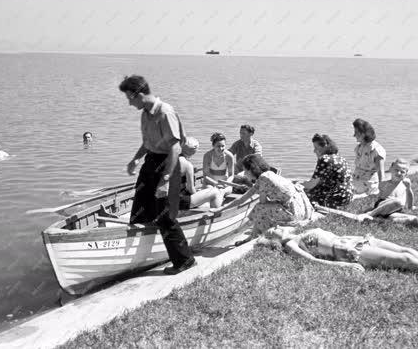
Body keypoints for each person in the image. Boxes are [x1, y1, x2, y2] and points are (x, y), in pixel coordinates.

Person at [119, 75, 195, 275]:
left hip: (167, 164)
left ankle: (184, 260)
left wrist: (165, 181)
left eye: (130, 98)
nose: (129, 103)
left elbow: (175, 149)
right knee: (139, 211)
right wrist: (135, 159)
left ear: (140, 94)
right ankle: (137, 256)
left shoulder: (165, 112)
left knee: (164, 215)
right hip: (151, 161)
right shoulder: (144, 113)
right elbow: (147, 143)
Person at [261, 226, 418, 282]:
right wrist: (344, 267)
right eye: (272, 231)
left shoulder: (299, 230)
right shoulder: (290, 244)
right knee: (405, 260)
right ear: (274, 240)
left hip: (359, 240)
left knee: (409, 251)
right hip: (348, 251)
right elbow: (311, 260)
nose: (275, 228)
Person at [212, 154, 314, 245]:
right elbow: (244, 199)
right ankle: (253, 235)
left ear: (251, 169)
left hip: (294, 211)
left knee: (259, 208)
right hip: (301, 207)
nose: (245, 174)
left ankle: (258, 236)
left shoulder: (263, 179)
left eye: (245, 171)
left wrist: (220, 209)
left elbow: (257, 202)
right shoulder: (269, 174)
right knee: (260, 208)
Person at [300, 134, 353, 209]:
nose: (314, 151)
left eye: (316, 148)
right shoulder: (339, 157)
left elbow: (311, 185)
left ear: (325, 146)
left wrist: (295, 184)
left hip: (334, 198)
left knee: (301, 192)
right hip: (346, 196)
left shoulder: (324, 159)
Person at [178, 137, 225, 210]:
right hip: (180, 201)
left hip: (167, 199)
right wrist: (200, 201)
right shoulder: (188, 165)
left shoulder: (172, 159)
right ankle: (216, 215)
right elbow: (190, 188)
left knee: (203, 190)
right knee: (215, 191)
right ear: (193, 150)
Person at [352, 119, 386, 196]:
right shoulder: (360, 147)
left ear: (363, 134)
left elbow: (381, 172)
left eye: (356, 133)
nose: (354, 135)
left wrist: (383, 191)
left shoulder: (376, 150)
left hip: (368, 184)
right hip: (356, 180)